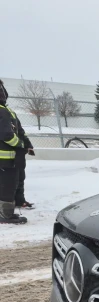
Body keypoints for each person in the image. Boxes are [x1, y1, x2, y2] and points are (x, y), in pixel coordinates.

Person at [0, 80, 28, 225]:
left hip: (8, 159)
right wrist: (20, 145)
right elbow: (6, 135)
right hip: (6, 158)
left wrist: (26, 144)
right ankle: (6, 215)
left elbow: (19, 130)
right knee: (7, 186)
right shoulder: (3, 111)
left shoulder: (6, 111)